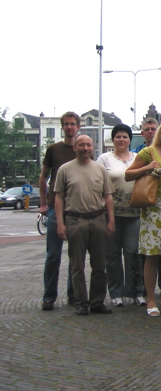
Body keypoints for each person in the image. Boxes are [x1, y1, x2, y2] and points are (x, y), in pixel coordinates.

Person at [125, 117, 161, 317]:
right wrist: (148, 168)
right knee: (152, 255)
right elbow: (128, 174)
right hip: (153, 207)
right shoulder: (149, 152)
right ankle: (151, 298)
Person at [54, 135, 115, 316]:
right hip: (75, 220)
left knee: (99, 265)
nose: (85, 148)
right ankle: (81, 302)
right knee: (77, 265)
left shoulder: (100, 169)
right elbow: (58, 197)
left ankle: (97, 302)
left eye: (88, 144)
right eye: (81, 145)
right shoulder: (65, 170)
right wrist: (60, 223)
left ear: (93, 147)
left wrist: (111, 220)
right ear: (75, 148)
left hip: (98, 219)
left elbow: (108, 196)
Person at [97, 124, 144, 307]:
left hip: (135, 213)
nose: (121, 140)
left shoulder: (138, 158)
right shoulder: (104, 159)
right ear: (113, 139)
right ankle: (115, 292)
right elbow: (98, 183)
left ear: (130, 139)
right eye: (118, 137)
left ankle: (136, 291)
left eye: (125, 137)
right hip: (112, 214)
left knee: (134, 254)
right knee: (113, 254)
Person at [40, 111, 79, 310]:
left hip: (74, 208)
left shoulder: (82, 149)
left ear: (78, 127)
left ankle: (73, 295)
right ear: (63, 127)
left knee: (75, 255)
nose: (69, 127)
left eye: (72, 124)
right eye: (66, 124)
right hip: (55, 207)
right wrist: (43, 204)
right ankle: (49, 296)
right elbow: (44, 177)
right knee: (53, 255)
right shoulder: (53, 149)